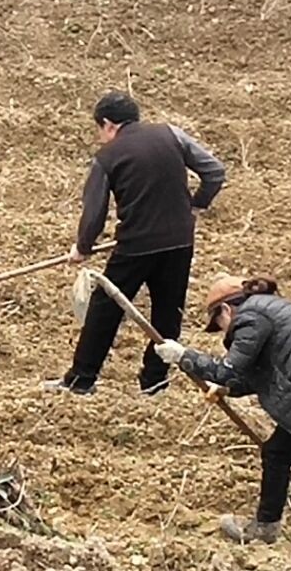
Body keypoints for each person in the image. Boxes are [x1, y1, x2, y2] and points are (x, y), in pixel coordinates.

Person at [157, 274, 291, 543]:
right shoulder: (266, 310)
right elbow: (259, 372)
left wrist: (183, 356)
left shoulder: (250, 319)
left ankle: (265, 527)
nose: (221, 330)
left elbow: (228, 369)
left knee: (276, 453)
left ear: (226, 310)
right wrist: (228, 389)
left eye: (217, 322)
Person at [43, 92, 226, 397]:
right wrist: (196, 206)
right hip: (180, 242)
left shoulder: (107, 156)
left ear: (108, 124)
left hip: (136, 245)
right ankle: (154, 382)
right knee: (168, 311)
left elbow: (94, 213)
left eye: (99, 130)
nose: (101, 137)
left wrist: (83, 247)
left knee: (105, 309)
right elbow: (215, 171)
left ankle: (81, 380)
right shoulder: (170, 134)